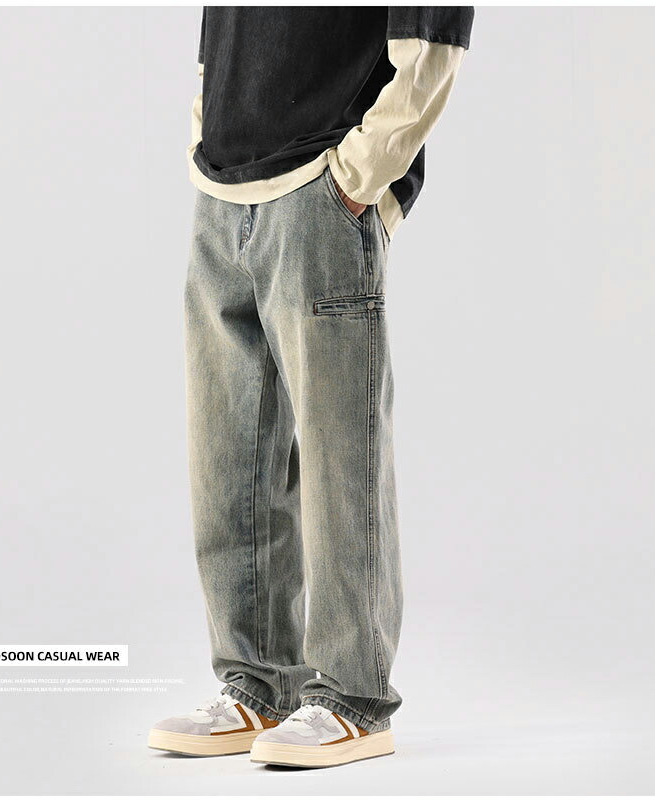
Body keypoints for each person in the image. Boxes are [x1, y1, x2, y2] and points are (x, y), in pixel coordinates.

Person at [148, 6, 474, 768]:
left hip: (322, 187)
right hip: (221, 189)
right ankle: (256, 682)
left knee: (340, 453)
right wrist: (205, 133)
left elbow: (434, 35)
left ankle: (354, 696)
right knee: (225, 460)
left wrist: (358, 175)